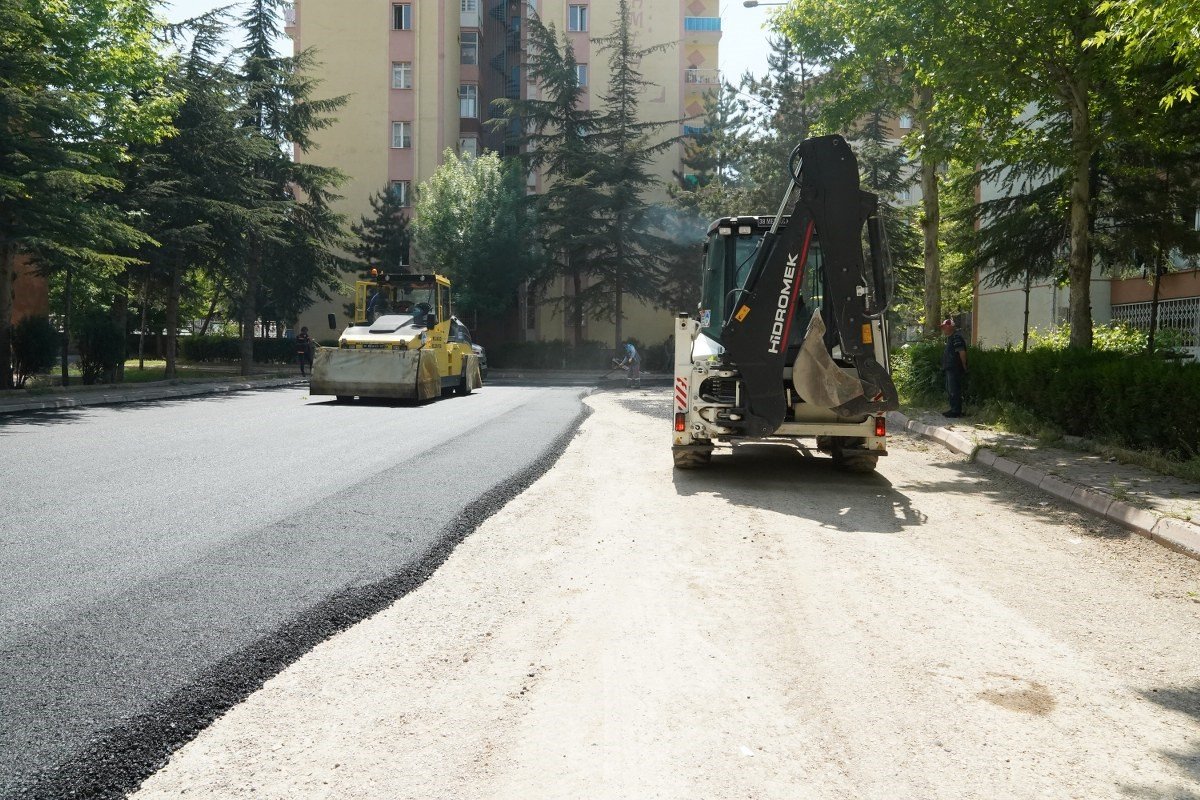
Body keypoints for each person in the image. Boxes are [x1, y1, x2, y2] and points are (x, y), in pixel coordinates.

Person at [940, 318, 968, 417]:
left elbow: (961, 352)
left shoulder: (956, 337)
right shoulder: (950, 338)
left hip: (955, 368)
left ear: (950, 327)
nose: (943, 329)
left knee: (954, 389)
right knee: (950, 389)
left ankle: (956, 411)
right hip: (950, 367)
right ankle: (953, 409)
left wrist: (964, 365)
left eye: (944, 327)